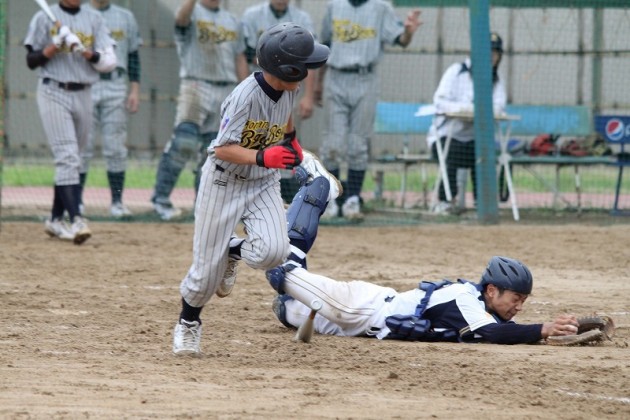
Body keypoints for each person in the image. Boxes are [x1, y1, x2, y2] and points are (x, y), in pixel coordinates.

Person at [172, 23, 332, 356]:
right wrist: (264, 155)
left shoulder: (289, 88)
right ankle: (189, 322)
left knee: (273, 252)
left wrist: (291, 144)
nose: (309, 70)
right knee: (205, 276)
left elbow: (285, 120)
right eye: (303, 64)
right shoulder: (245, 96)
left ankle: (232, 250)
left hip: (261, 183)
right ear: (286, 68)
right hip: (223, 180)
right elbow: (221, 149)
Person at [264, 191, 581, 344]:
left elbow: (502, 331)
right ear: (491, 290)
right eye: (516, 298)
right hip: (361, 307)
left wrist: (554, 332)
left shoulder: (484, 309)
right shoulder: (464, 298)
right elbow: (487, 333)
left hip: (357, 325)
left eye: (524, 300)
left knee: (286, 310)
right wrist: (543, 329)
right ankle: (310, 195)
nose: (519, 306)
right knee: (280, 271)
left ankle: (291, 287)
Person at [317, 1, 422, 219]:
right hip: (336, 76)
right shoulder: (334, 6)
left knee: (358, 143)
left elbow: (400, 40)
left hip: (365, 78)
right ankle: (331, 201)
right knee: (332, 145)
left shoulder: (381, 7)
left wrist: (409, 33)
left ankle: (353, 200)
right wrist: (318, 83)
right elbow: (325, 45)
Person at [25, 0, 117, 244]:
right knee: (67, 156)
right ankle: (77, 219)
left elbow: (109, 62)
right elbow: (31, 60)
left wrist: (86, 52)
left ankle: (55, 220)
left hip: (85, 91)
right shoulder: (45, 17)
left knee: (73, 159)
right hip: (53, 90)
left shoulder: (94, 18)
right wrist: (54, 46)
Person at [151, 0, 249, 221]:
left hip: (225, 89)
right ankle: (161, 200)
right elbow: (181, 20)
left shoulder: (233, 21)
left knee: (213, 152)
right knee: (183, 143)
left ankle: (202, 205)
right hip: (196, 85)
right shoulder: (192, 12)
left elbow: (239, 57)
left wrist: (244, 92)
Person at [241, 0, 319, 204]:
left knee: (281, 146)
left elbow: (308, 64)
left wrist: (307, 96)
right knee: (254, 142)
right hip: (259, 93)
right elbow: (245, 55)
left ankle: (277, 198)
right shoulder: (251, 15)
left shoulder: (302, 18)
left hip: (282, 93)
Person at [426, 32, 507, 215]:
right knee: (451, 152)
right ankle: (445, 200)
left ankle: (483, 203)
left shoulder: (496, 79)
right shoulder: (456, 72)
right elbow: (439, 101)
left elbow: (499, 106)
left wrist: (479, 111)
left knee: (485, 152)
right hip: (447, 136)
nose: (492, 57)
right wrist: (468, 109)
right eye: (488, 52)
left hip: (474, 139)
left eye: (496, 53)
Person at [83, 0, 142, 218]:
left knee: (116, 147)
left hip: (117, 83)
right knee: (83, 146)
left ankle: (117, 203)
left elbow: (134, 55)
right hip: (85, 81)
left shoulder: (125, 16)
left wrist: (134, 89)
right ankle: (76, 203)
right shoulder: (80, 13)